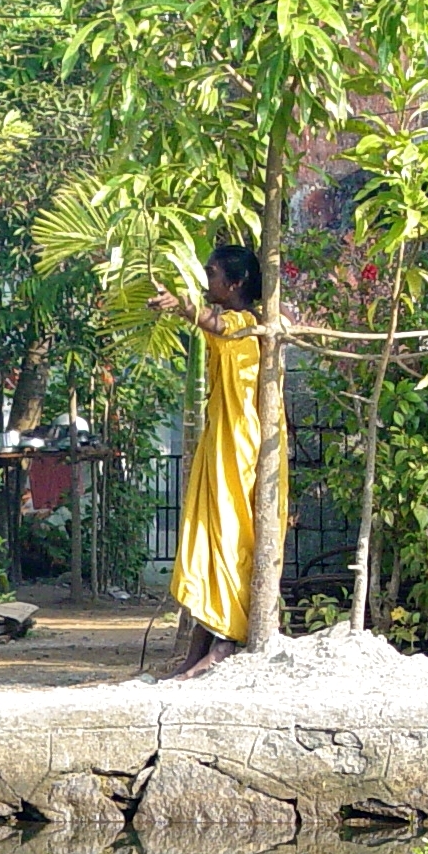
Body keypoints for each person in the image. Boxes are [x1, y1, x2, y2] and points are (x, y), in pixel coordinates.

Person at [149, 245, 287, 679]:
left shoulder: (251, 326)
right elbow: (212, 326)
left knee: (231, 538)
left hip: (245, 445)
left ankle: (225, 642)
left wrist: (183, 307)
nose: (208, 281)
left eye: (212, 274)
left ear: (236, 282)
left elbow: (220, 325)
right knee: (210, 536)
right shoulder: (233, 325)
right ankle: (202, 643)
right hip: (221, 439)